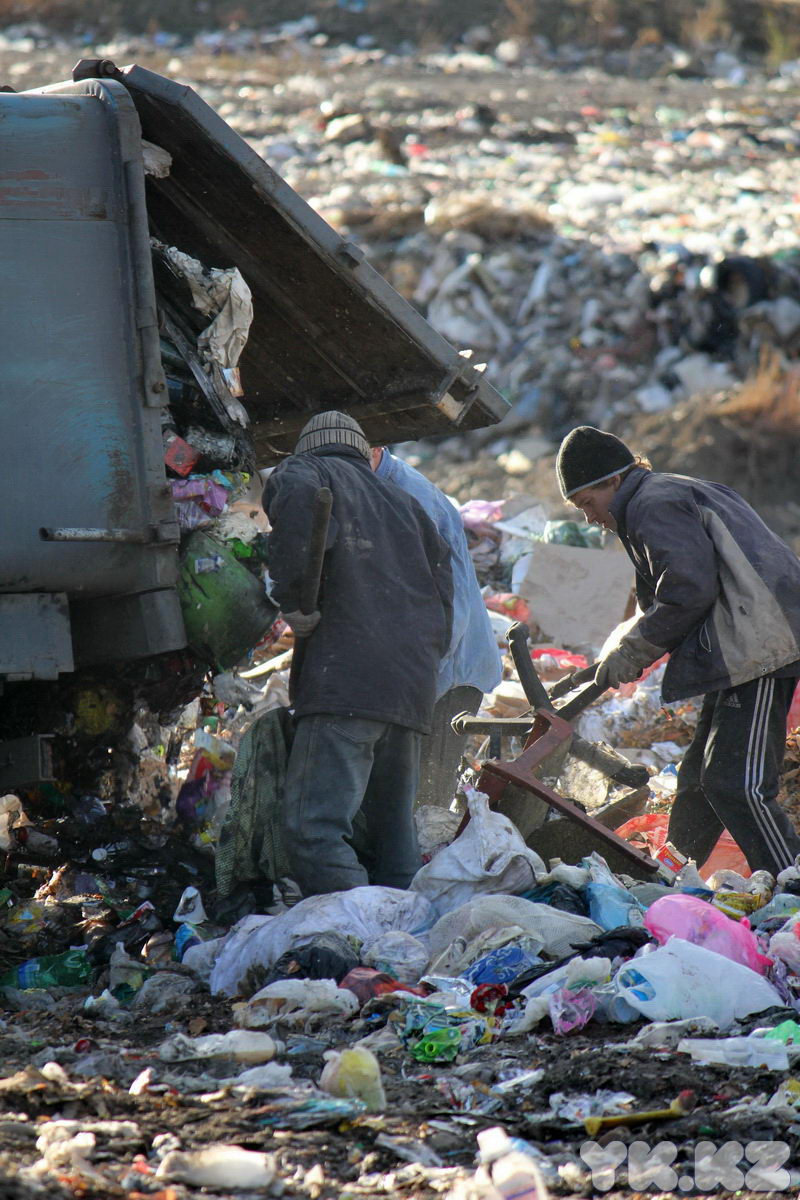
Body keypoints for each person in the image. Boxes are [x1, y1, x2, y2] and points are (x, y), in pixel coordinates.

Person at [556, 424, 800, 874]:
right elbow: (661, 598)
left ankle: (792, 884)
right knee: (698, 783)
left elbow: (687, 589)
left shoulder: (653, 504)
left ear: (614, 480)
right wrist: (619, 656)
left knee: (736, 784)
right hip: (743, 643)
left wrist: (632, 653)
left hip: (763, 644)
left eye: (587, 503)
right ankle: (668, 875)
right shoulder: (656, 498)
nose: (589, 518)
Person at [262, 411, 453, 896]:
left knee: (315, 829)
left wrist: (294, 599)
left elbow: (300, 502)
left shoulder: (308, 470)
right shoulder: (408, 504)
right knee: (393, 840)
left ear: (312, 447)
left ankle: (358, 931)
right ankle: (401, 935)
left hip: (345, 683)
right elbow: (443, 600)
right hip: (410, 690)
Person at [371, 447, 502, 807]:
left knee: (425, 798)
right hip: (426, 667)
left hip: (450, 672)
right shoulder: (377, 486)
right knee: (400, 794)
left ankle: (426, 862)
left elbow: (450, 604)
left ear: (372, 449)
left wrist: (423, 683)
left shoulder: (412, 497)